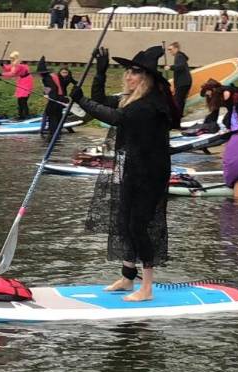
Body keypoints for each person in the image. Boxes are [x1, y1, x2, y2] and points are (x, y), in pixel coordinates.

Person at [71, 46, 181, 302]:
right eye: (128, 72)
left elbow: (115, 117)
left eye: (135, 73)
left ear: (147, 78)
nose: (128, 77)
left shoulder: (150, 105)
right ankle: (127, 278)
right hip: (132, 167)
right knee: (123, 221)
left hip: (151, 173)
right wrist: (100, 72)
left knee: (139, 225)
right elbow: (101, 100)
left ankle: (147, 288)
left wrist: (81, 101)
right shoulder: (131, 99)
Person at [37, 57, 75, 142]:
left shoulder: (46, 78)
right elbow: (49, 88)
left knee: (52, 116)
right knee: (57, 116)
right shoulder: (53, 76)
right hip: (60, 99)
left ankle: (52, 135)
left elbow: (52, 88)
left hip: (55, 100)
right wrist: (45, 94)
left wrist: (49, 96)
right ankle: (56, 133)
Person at [0, 51, 33, 120]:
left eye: (12, 58)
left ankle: (26, 116)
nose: (11, 60)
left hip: (26, 82)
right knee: (20, 100)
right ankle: (21, 116)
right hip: (22, 81)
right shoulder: (15, 64)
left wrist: (1, 74)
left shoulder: (19, 65)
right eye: (11, 58)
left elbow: (12, 73)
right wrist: (2, 65)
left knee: (23, 100)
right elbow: (9, 68)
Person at [164, 42, 192, 116]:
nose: (169, 51)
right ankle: (179, 115)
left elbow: (180, 66)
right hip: (184, 82)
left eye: (170, 49)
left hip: (183, 82)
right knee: (180, 100)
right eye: (168, 50)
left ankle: (176, 116)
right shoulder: (180, 56)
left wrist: (170, 67)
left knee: (177, 100)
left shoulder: (179, 56)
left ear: (176, 49)